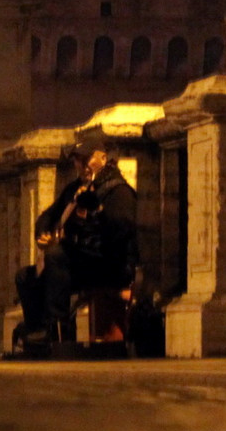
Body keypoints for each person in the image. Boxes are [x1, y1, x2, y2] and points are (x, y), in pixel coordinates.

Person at [15, 131, 139, 345]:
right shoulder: (75, 189)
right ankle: (38, 329)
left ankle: (58, 328)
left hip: (108, 265)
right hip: (81, 262)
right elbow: (48, 215)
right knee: (25, 276)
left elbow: (121, 233)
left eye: (85, 159)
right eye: (77, 161)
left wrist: (98, 211)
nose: (81, 165)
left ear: (102, 158)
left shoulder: (118, 191)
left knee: (57, 256)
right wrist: (43, 233)